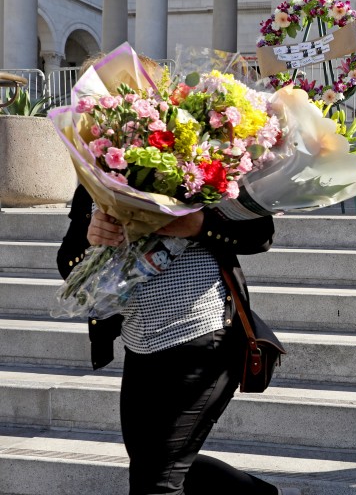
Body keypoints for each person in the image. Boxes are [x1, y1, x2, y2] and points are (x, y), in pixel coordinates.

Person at [57, 57, 298, 494]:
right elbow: (67, 260)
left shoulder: (201, 156)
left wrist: (199, 224)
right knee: (153, 460)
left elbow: (259, 233)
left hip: (199, 332)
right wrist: (93, 237)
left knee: (156, 480)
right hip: (139, 338)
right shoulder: (94, 172)